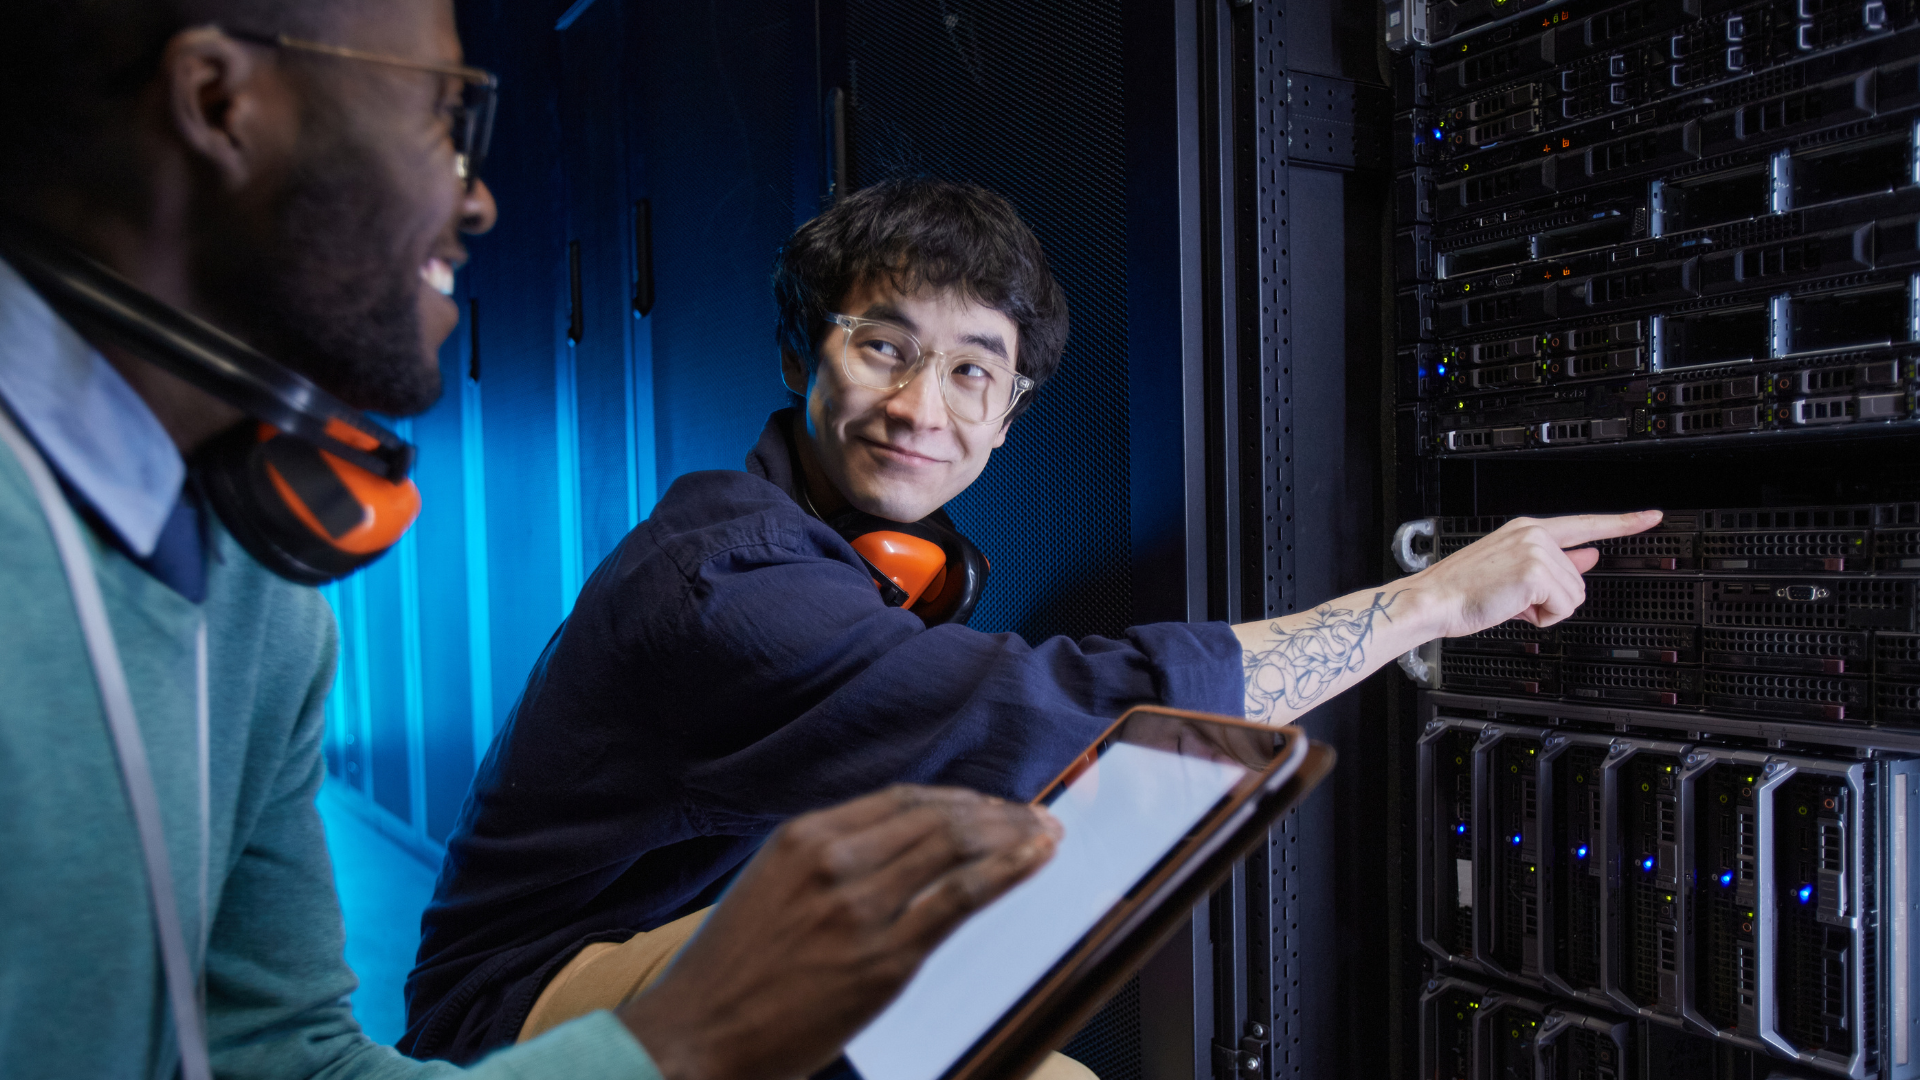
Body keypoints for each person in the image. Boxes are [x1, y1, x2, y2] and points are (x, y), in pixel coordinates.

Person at [0, 4, 1065, 1080]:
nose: (476, 198)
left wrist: (678, 1039)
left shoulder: (260, 603)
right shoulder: (722, 563)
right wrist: (688, 1039)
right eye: (444, 115)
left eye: (974, 372)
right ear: (219, 103)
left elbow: (293, 1061)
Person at [405, 178, 1661, 1061]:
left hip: (708, 943)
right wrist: (1435, 599)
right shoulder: (724, 573)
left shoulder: (885, 566)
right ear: (807, 351)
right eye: (881, 344)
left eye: (971, 371)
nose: (920, 406)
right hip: (517, 1018)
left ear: (1009, 418)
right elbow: (1035, 719)